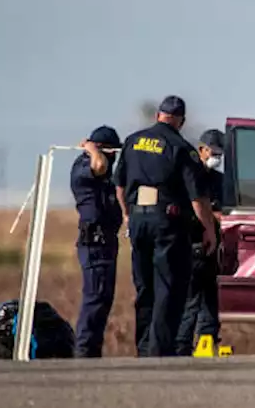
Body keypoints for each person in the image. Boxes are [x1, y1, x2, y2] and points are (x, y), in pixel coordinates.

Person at [113, 95, 216, 357]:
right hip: (167, 223)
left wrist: (127, 215)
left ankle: (144, 347)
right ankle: (159, 351)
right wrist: (208, 230)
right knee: (168, 287)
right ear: (181, 120)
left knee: (144, 286)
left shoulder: (133, 141)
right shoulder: (181, 147)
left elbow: (120, 185)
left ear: (158, 115)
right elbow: (197, 198)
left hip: (138, 219)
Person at [70, 125, 123, 358]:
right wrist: (92, 150)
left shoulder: (107, 174)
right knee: (94, 297)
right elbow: (98, 165)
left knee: (104, 298)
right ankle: (83, 351)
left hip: (107, 242)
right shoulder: (84, 167)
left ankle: (93, 351)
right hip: (94, 242)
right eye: (111, 152)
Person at [175, 129, 226, 355]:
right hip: (193, 242)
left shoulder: (220, 181)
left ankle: (206, 340)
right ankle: (181, 344)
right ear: (201, 150)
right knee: (191, 299)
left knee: (210, 296)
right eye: (213, 152)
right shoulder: (189, 176)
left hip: (215, 246)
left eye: (220, 154)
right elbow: (194, 208)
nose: (216, 158)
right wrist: (212, 217)